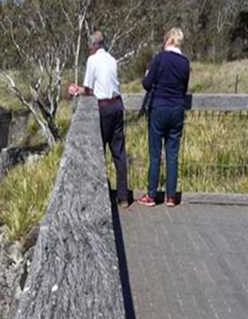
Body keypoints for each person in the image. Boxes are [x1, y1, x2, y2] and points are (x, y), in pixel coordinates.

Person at [68, 31, 129, 207]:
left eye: (90, 45)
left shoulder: (92, 60)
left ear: (95, 45)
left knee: (98, 152)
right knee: (119, 153)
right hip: (118, 106)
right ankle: (123, 196)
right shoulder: (112, 59)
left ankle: (98, 196)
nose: (89, 48)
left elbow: (88, 89)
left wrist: (76, 89)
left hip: (103, 109)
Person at [137, 28, 190, 207]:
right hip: (177, 109)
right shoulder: (185, 63)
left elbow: (147, 84)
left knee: (155, 154)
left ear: (168, 40)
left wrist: (147, 75)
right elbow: (184, 88)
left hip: (159, 108)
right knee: (172, 155)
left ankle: (151, 195)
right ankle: (171, 196)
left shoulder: (160, 59)